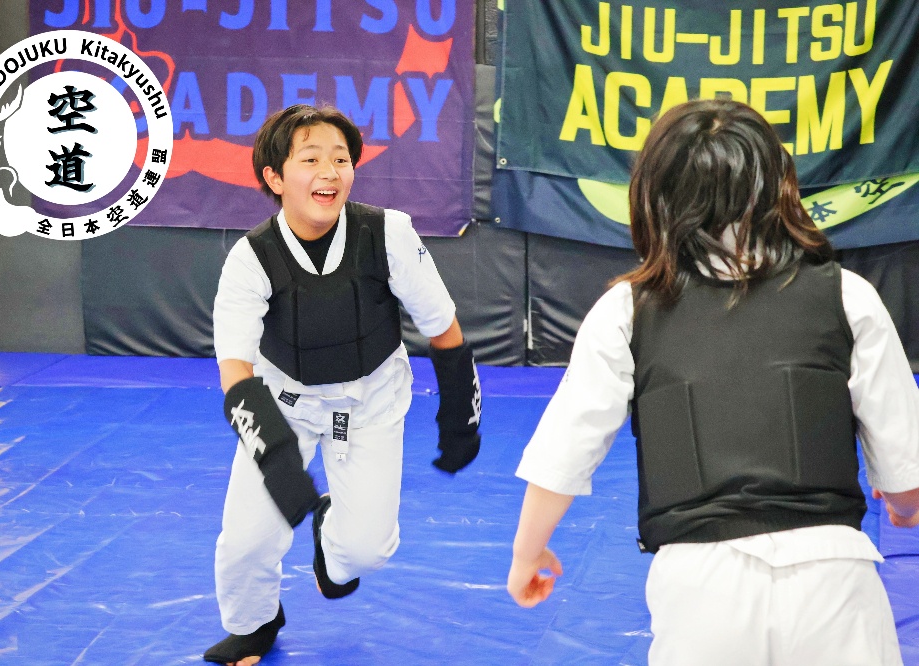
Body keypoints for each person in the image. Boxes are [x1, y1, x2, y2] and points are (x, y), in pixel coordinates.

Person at [507, 99, 919, 665]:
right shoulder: (847, 295)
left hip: (701, 586)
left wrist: (526, 555)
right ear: (780, 186)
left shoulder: (627, 310)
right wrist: (903, 507)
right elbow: (907, 473)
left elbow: (566, 449)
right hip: (834, 578)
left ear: (654, 193)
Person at [204, 104, 482, 666]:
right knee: (246, 541)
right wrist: (276, 458)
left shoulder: (388, 233)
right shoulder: (251, 258)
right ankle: (255, 625)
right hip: (283, 404)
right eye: (310, 160)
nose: (330, 172)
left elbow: (442, 327)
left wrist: (461, 415)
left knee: (364, 553)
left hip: (371, 401)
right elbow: (235, 370)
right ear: (275, 178)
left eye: (341, 159)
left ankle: (329, 542)